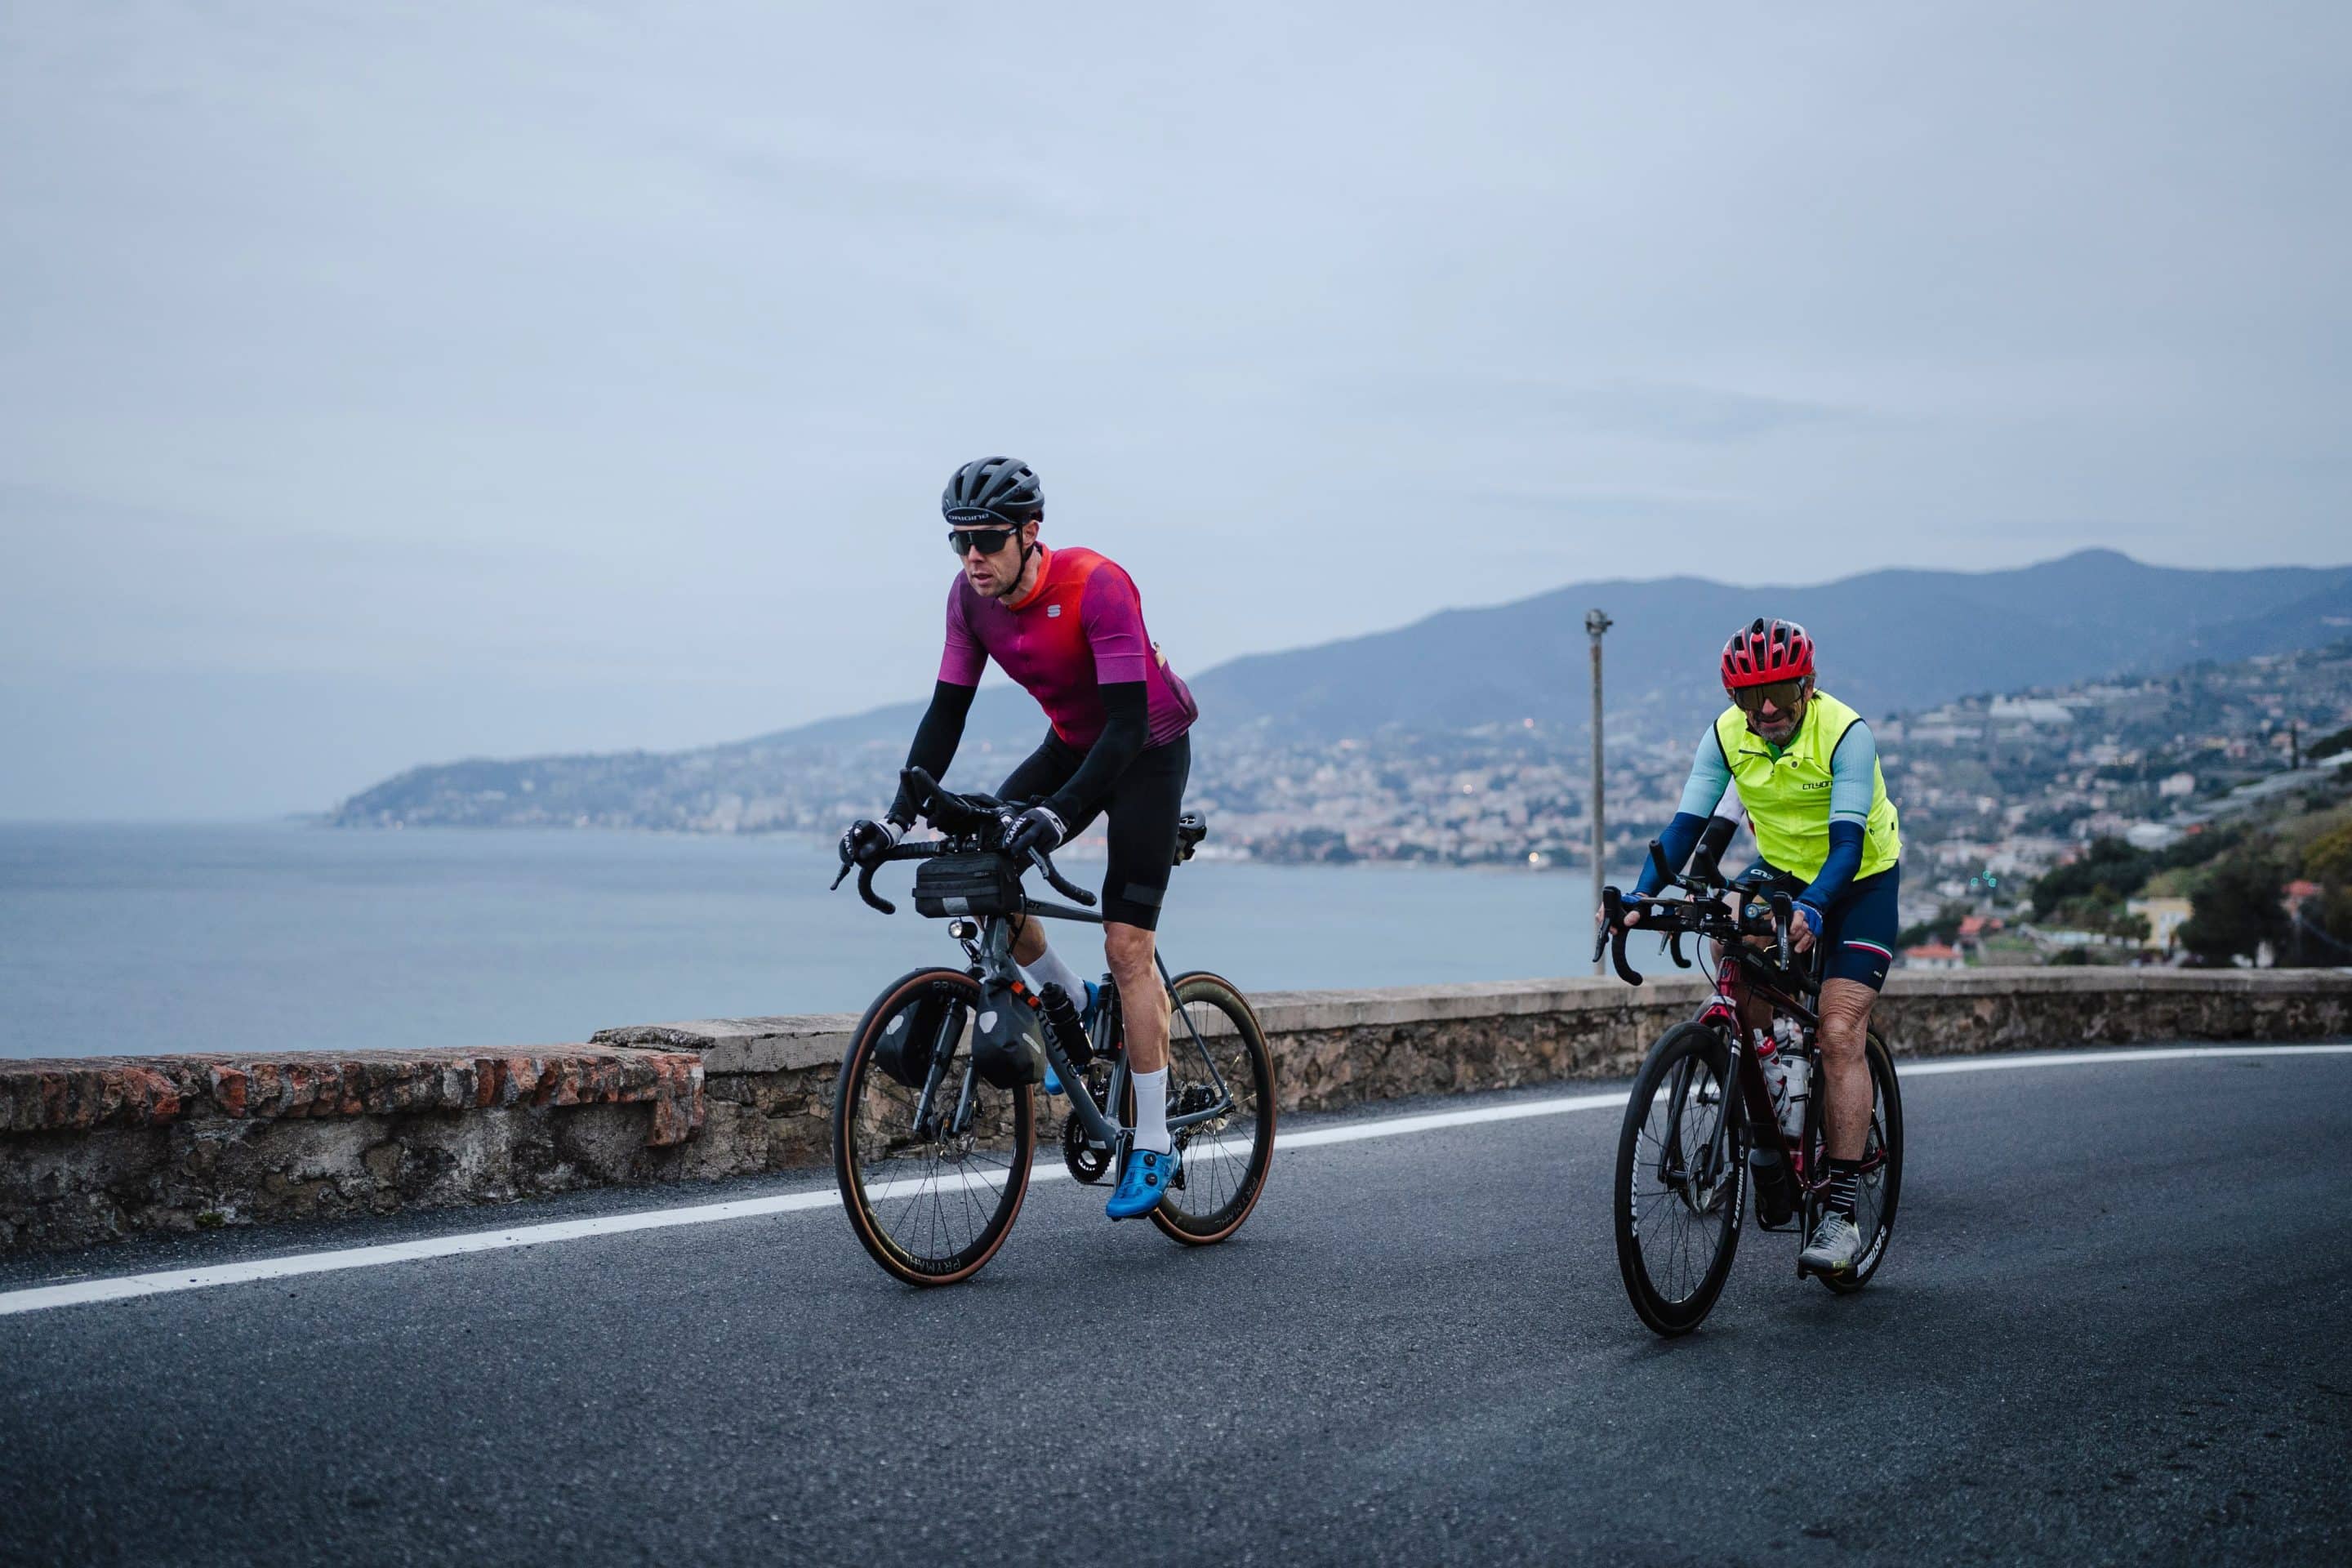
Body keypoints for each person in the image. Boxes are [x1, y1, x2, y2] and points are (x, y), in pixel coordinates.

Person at [840, 457, 1199, 1221]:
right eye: (957, 541)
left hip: (1147, 751)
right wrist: (894, 818)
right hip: (1073, 743)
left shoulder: (1097, 584)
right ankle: (1071, 1000)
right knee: (983, 868)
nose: (972, 557)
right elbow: (945, 718)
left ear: (1030, 534)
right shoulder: (970, 603)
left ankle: (1156, 1141)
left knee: (1128, 947)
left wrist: (1059, 816)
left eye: (987, 541)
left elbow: (1129, 726)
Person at [1611, 617, 1901, 1276]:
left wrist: (1818, 906)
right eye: (1749, 696)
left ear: (1808, 683)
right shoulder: (1725, 734)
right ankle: (1770, 1079)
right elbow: (1685, 826)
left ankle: (1842, 1213)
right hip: (1785, 871)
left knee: (1838, 1030)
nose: (1766, 709)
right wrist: (1638, 900)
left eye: (1780, 692)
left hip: (1857, 880)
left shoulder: (1846, 734)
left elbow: (1849, 847)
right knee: (1727, 944)